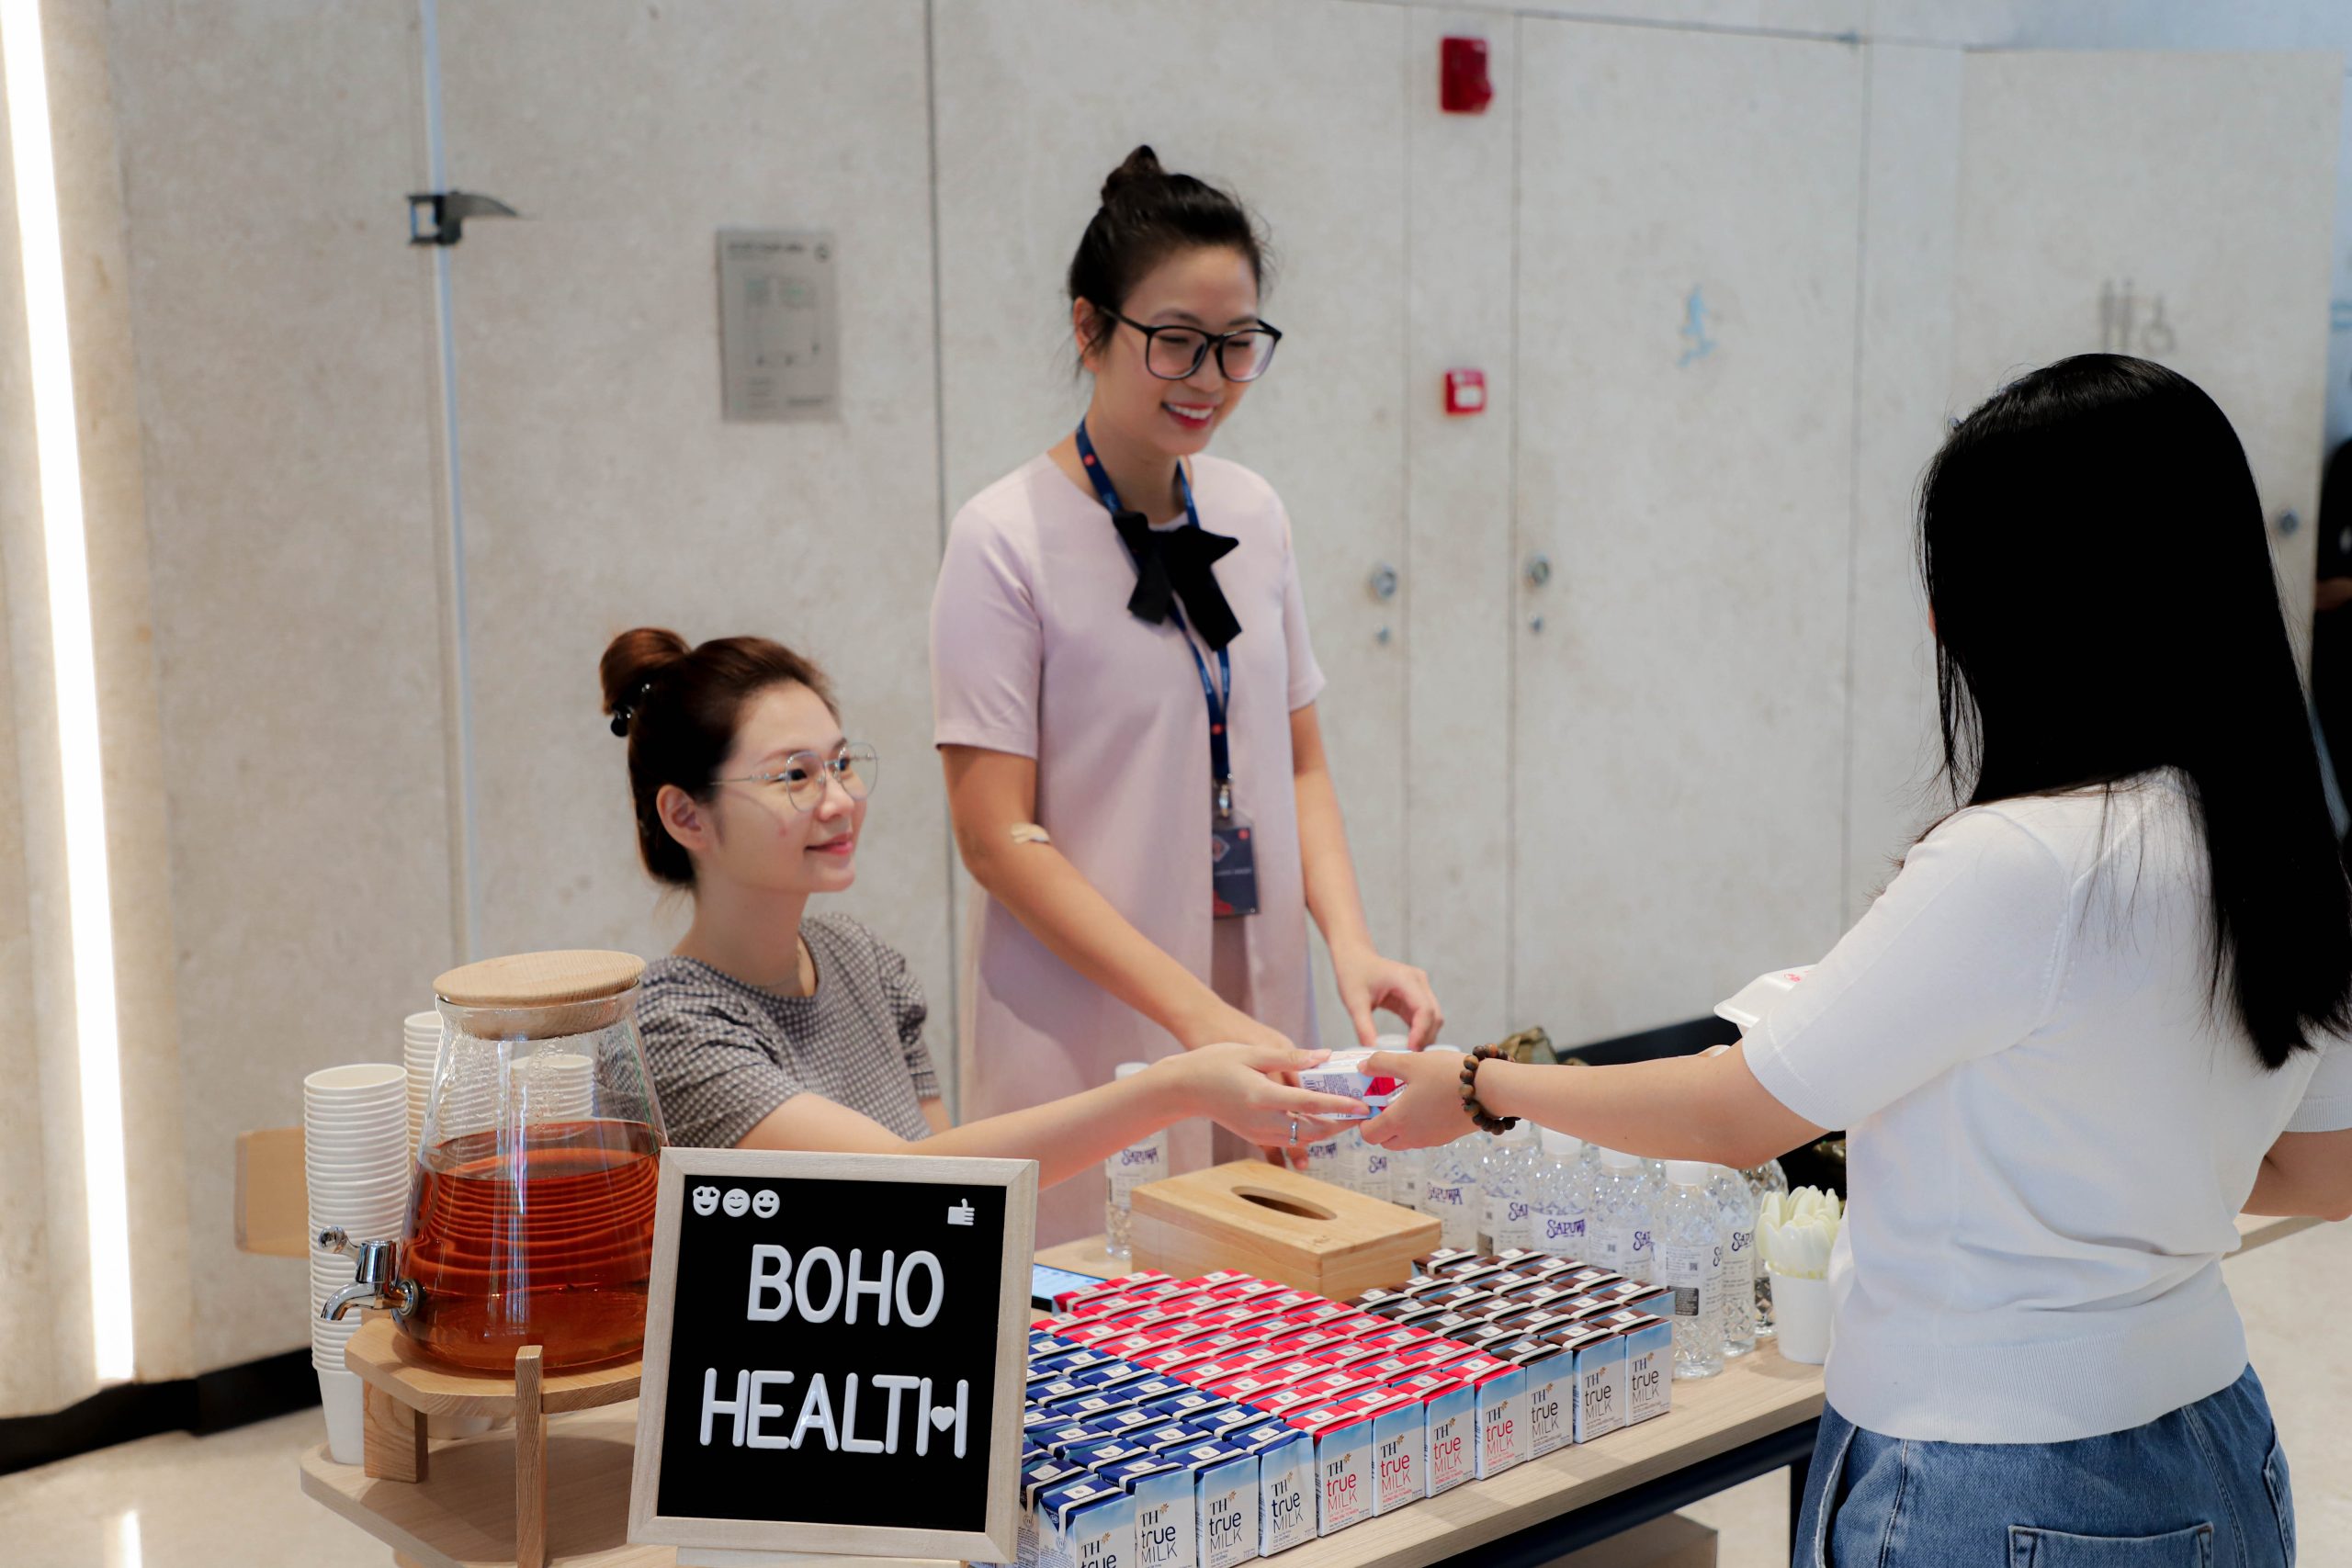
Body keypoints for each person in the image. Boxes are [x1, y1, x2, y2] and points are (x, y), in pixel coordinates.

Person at [1361, 355, 2352, 1564]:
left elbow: (1736, 1113)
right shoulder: (2276, 849)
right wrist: (2111, 1174)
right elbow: (2325, 1170)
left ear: (2028, 607)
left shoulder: (2018, 861)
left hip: (2003, 1474)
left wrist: (1481, 1086)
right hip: (2217, 1446)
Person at [931, 146, 1440, 1242]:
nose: (1206, 377)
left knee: (1267, 1284)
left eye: (1236, 343)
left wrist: (1350, 946)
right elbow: (992, 836)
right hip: (1086, 1017)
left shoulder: (1252, 511)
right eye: (1174, 340)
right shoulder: (1003, 538)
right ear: (1088, 328)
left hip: (1254, 995)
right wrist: (1195, 1018)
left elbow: (1298, 762)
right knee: (1098, 1295)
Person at [601, 627, 1364, 1184]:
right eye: (794, 776)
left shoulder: (862, 960)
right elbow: (909, 1182)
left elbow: (956, 1194)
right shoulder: (668, 1026)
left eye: (841, 763)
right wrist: (1177, 1088)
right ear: (686, 816)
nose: (839, 800)